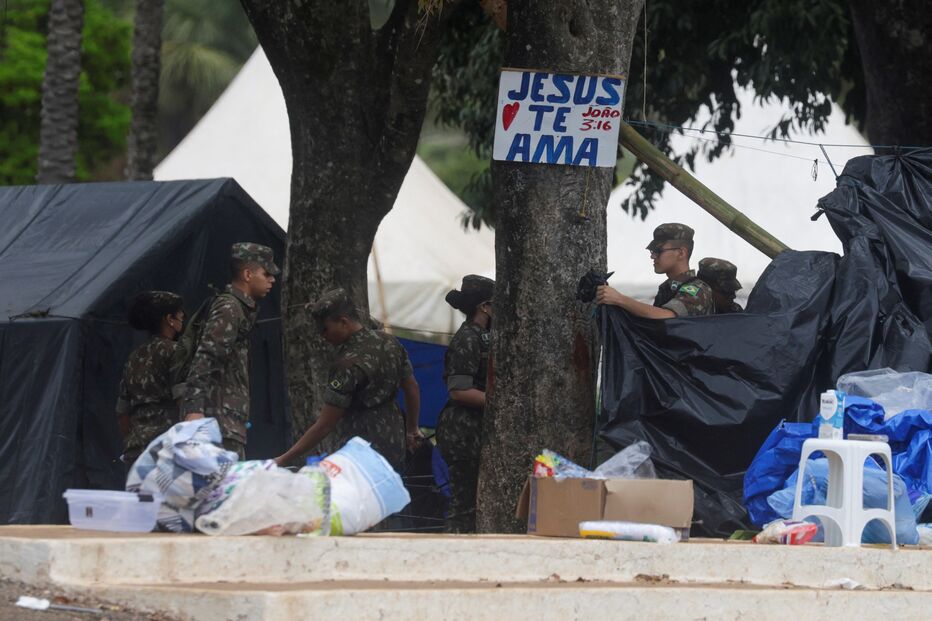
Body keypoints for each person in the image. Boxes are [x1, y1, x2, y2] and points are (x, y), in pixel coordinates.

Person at [274, 288, 422, 471]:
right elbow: (412, 388)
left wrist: (283, 459)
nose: (322, 336)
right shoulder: (389, 342)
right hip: (394, 441)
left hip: (360, 451)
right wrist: (412, 429)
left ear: (344, 322)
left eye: (325, 329)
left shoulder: (346, 364)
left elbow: (325, 425)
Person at [180, 242, 279, 459]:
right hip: (215, 423)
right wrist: (194, 409)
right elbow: (206, 357)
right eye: (266, 273)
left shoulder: (239, 308)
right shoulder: (229, 308)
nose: (272, 279)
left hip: (226, 422)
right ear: (247, 274)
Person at [436, 275, 494, 533]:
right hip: (462, 431)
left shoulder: (482, 336)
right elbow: (458, 391)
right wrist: (500, 405)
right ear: (485, 306)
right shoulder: (468, 338)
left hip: (474, 429)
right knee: (465, 506)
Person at [116, 291, 185, 465]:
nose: (182, 321)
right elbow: (183, 401)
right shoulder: (176, 351)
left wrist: (132, 443)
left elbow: (122, 412)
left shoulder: (134, 357)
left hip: (137, 452)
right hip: (168, 450)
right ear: (170, 319)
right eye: (180, 317)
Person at [596, 222, 713, 318]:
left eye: (658, 251)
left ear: (681, 253)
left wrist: (619, 299)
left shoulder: (698, 289)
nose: (653, 256)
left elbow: (667, 316)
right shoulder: (667, 288)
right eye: (652, 251)